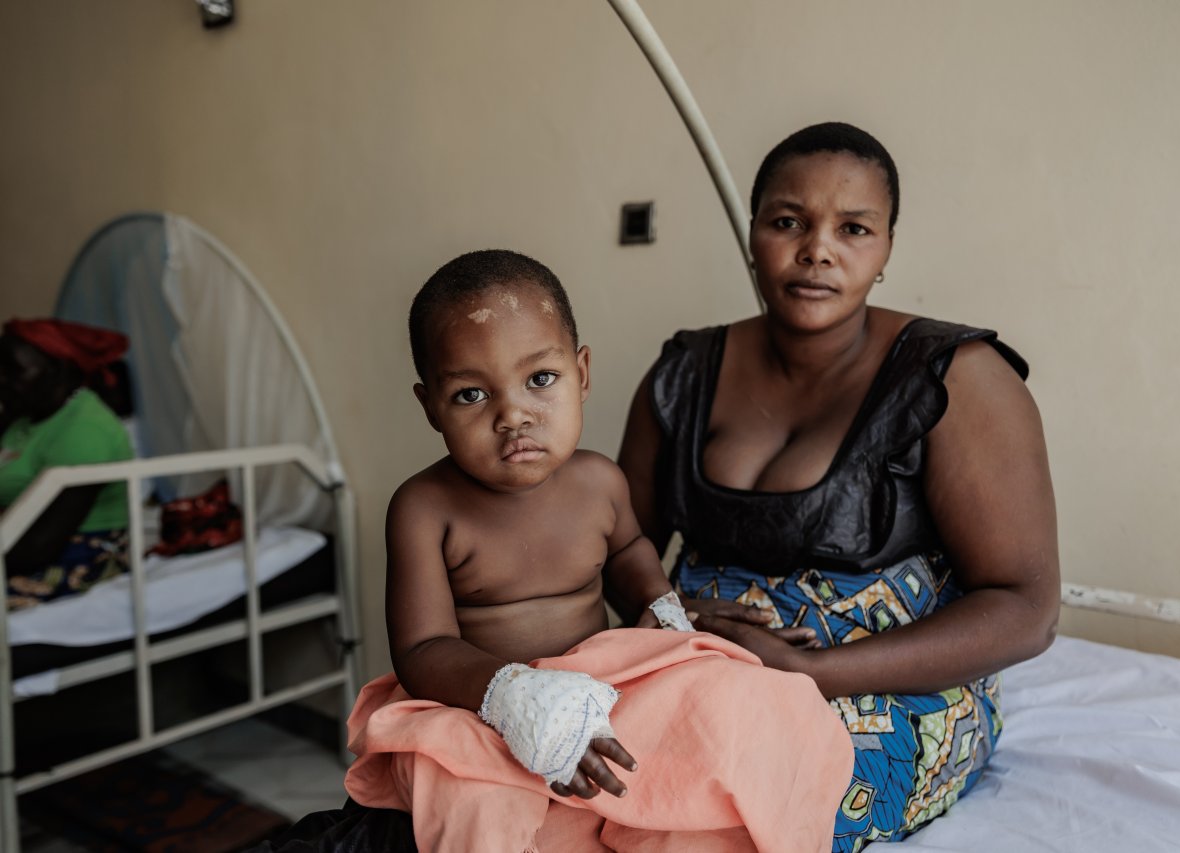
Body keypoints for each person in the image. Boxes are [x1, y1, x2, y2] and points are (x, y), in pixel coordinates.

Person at [617, 122, 1060, 851]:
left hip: (885, 696)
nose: (817, 249)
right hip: (702, 670)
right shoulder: (681, 374)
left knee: (712, 813)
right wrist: (658, 606)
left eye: (853, 228)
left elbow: (1027, 609)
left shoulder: (958, 377)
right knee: (561, 771)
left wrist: (811, 670)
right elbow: (614, 543)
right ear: (753, 232)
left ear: (886, 248)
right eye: (788, 221)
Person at [341, 249, 855, 852]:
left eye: (540, 380)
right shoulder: (424, 508)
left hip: (600, 683)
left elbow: (630, 555)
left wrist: (661, 608)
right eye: (471, 396)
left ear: (581, 374)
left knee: (743, 703)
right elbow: (421, 649)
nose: (513, 415)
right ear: (430, 406)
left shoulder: (598, 482)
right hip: (477, 706)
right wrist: (514, 697)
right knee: (471, 799)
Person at [1, 318, 134, 610]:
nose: (2, 380)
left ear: (59, 371)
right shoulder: (21, 418)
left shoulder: (85, 429)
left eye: (14, 371)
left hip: (80, 553)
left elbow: (42, 545)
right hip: (15, 540)